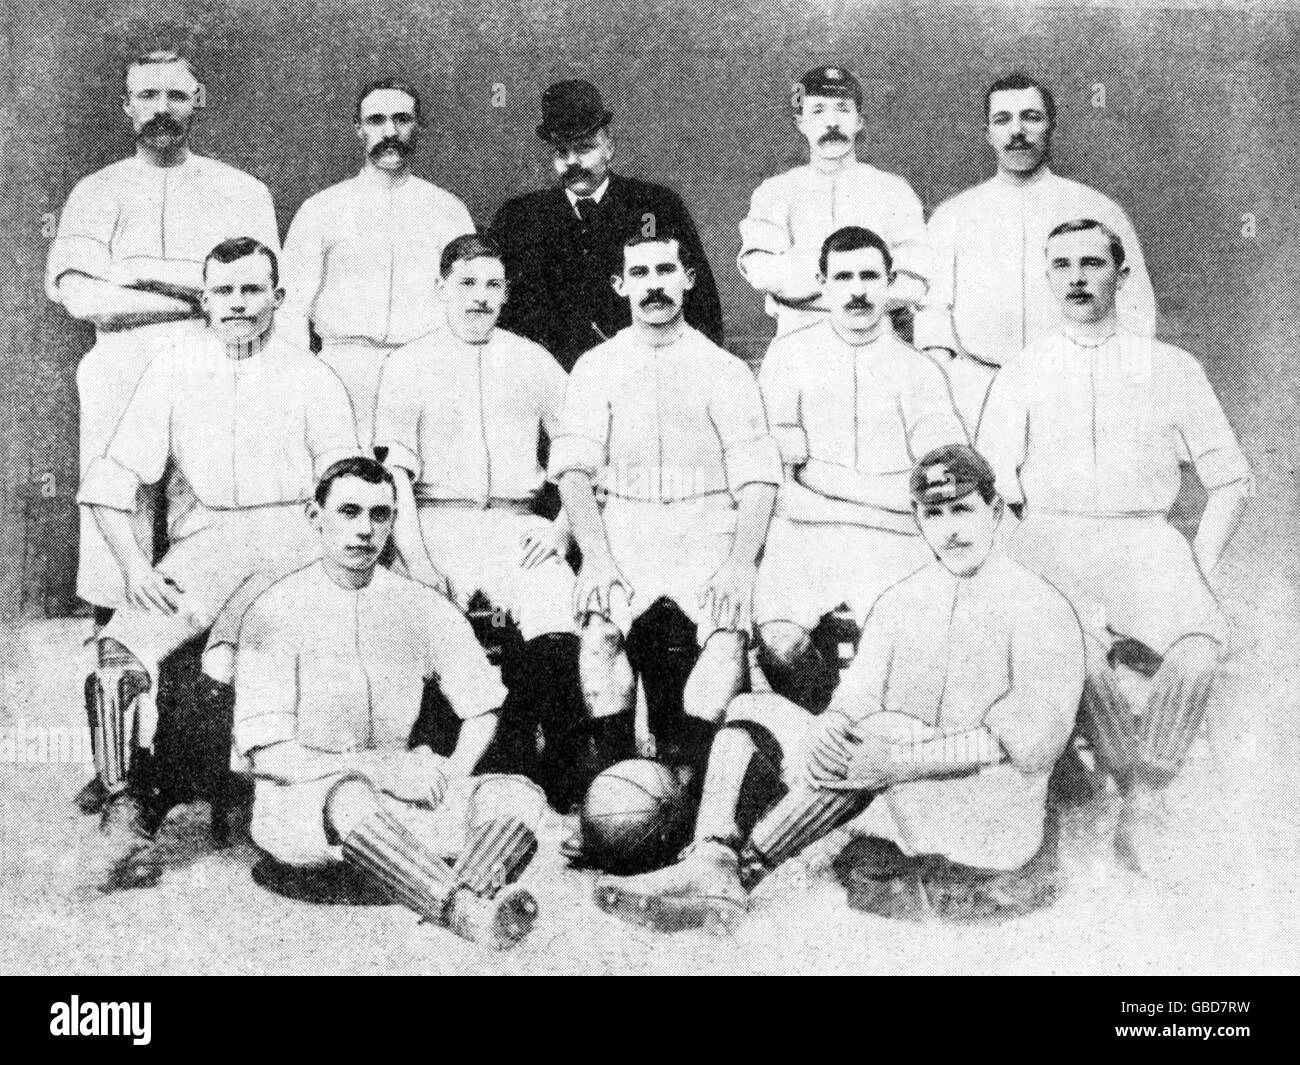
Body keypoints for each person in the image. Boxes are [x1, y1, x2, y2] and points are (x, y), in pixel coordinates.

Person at [593, 445, 1084, 932]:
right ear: (918, 518)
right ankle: (713, 860)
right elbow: (859, 694)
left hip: (990, 813)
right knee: (751, 709)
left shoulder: (1039, 606)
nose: (951, 529)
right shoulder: (903, 598)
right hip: (904, 794)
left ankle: (741, 875)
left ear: (995, 511)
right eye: (935, 514)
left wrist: (897, 759)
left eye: (963, 509)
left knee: (881, 730)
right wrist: (832, 722)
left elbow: (1028, 742)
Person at [977, 218, 1252, 875]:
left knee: (1199, 644)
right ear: (1046, 277)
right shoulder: (1023, 370)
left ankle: (1144, 798)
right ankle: (1124, 794)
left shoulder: (1171, 367)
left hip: (1146, 542)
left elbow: (1233, 477)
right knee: (1080, 654)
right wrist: (1021, 572)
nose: (1076, 276)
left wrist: (1200, 569)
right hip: (1050, 538)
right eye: (1062, 264)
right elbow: (991, 489)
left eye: (1092, 263)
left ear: (1120, 275)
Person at [76, 237, 360, 863]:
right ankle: (126, 806)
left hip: (296, 544)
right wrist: (134, 568)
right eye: (224, 291)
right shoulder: (174, 368)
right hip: (206, 545)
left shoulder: (312, 375)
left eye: (252, 290)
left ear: (278, 298)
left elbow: (347, 490)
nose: (237, 304)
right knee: (116, 658)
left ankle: (294, 793)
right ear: (204, 299)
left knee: (263, 653)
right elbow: (108, 480)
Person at [47, 51, 280, 813]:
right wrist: (189, 297)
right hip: (119, 384)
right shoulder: (98, 191)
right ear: (125, 105)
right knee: (117, 564)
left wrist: (147, 281)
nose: (162, 108)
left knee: (199, 559)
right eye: (147, 94)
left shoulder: (241, 190)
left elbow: (261, 295)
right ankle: (118, 762)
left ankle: (186, 758)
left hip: (214, 389)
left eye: (176, 94)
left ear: (199, 100)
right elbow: (83, 297)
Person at [233, 457, 544, 948]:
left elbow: (481, 704)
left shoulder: (419, 604)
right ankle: (463, 911)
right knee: (348, 794)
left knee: (517, 796)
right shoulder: (274, 610)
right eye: (349, 512)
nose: (365, 530)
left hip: (404, 796)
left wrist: (456, 769)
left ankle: (457, 895)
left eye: (380, 515)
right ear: (315, 517)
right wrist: (380, 768)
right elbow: (268, 756)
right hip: (309, 802)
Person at [549, 229, 781, 840]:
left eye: (666, 270)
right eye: (640, 272)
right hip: (625, 523)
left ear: (689, 280)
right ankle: (615, 779)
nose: (654, 283)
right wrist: (595, 558)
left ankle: (695, 795)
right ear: (621, 285)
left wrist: (739, 563)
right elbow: (574, 469)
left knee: (728, 639)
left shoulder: (724, 369)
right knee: (599, 632)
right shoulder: (597, 367)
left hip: (707, 526)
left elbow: (758, 480)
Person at [373, 234, 586, 809]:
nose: (480, 297)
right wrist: (416, 560)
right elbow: (394, 478)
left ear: (507, 293)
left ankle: (561, 784)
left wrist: (563, 528)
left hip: (518, 524)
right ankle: (452, 769)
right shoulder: (408, 364)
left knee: (555, 607)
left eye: (493, 285)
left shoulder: (532, 359)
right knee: (425, 617)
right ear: (439, 288)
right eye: (466, 283)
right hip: (434, 523)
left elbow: (580, 454)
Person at [753, 226, 966, 707]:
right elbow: (784, 491)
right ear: (822, 285)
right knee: (780, 644)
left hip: (895, 544)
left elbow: (941, 482)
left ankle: (876, 747)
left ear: (890, 283)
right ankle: (824, 731)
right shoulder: (788, 358)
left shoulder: (920, 372)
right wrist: (892, 500)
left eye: (870, 276)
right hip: (807, 537)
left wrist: (830, 482)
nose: (857, 290)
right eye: (843, 277)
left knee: (912, 650)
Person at [915, 72, 1157, 432]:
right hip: (977, 395)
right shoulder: (954, 215)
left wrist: (1115, 390)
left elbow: (1137, 310)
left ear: (1051, 126)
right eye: (1003, 119)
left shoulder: (1098, 209)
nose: (1017, 131)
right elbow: (932, 315)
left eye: (1031, 117)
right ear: (988, 133)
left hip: (1074, 391)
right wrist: (943, 398)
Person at [279, 78, 475, 444]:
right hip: (342, 370)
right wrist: (302, 379)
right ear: (359, 129)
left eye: (402, 119)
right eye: (376, 120)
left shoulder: (448, 210)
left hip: (424, 370)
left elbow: (467, 297)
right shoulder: (322, 209)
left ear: (419, 127)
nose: (390, 132)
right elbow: (289, 307)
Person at [489, 79, 723, 372]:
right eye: (561, 151)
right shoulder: (518, 218)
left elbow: (704, 309)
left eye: (585, 148)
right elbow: (496, 313)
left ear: (610, 147)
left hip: (643, 381)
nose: (573, 161)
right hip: (545, 385)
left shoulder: (657, 206)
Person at [738, 66, 927, 338]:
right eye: (818, 111)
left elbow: (914, 279)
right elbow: (761, 271)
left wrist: (803, 276)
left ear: (859, 121)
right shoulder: (775, 192)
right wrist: (861, 291)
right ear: (800, 123)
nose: (832, 122)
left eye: (843, 109)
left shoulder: (894, 191)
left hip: (880, 343)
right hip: (800, 342)